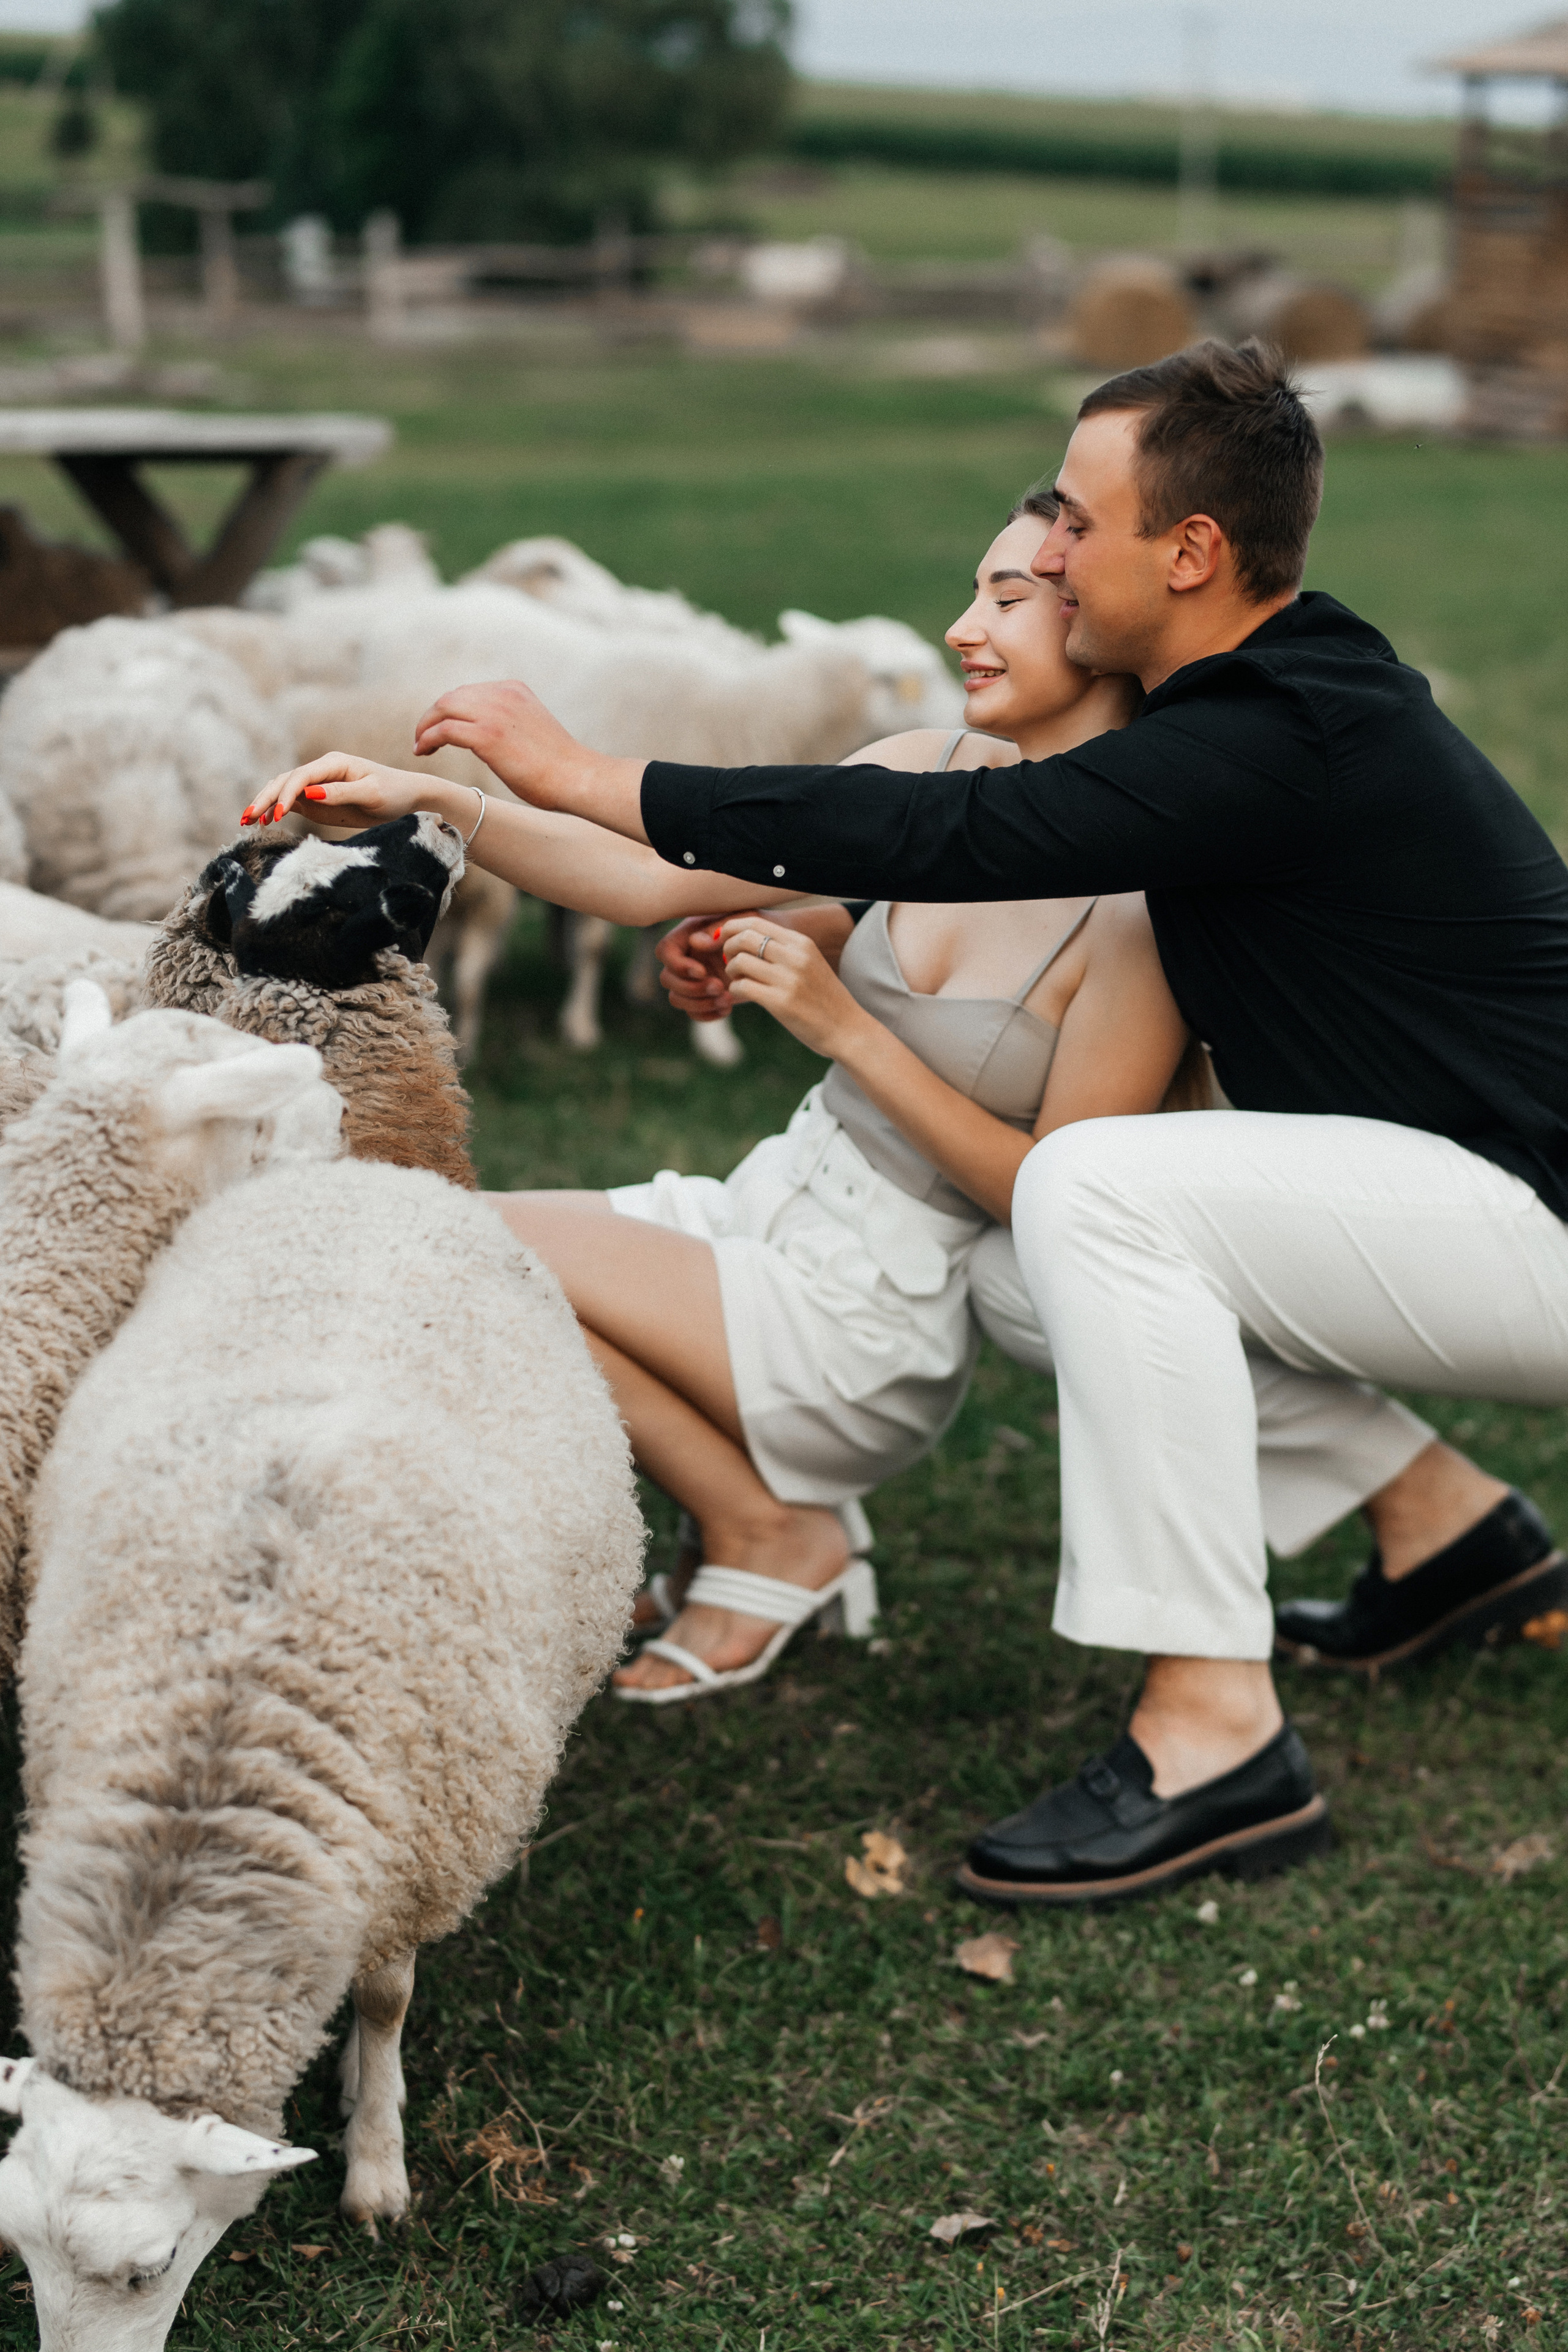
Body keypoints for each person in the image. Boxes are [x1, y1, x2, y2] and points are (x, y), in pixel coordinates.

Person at [329, 336, 1568, 1910]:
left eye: (1074, 526)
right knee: (1027, 1273)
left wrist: (585, 770)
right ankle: (1446, 1529)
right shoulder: (1257, 700)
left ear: (1187, 552)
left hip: (1535, 1204)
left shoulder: (1265, 738)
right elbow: (923, 815)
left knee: (1098, 1194)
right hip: (1468, 1180)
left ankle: (1212, 1728)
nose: (1043, 554)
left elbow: (952, 826)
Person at [244, 496, 1203, 1705]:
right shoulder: (928, 770)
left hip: (865, 1319)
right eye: (972, 591)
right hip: (760, 1210)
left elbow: (1055, 1202)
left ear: (1109, 622)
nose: (959, 631)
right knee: (430, 1242)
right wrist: (433, 804)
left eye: (1006, 602)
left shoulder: (1142, 909)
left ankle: (764, 1528)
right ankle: (752, 1521)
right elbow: (651, 877)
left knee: (443, 1238)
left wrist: (839, 1025)